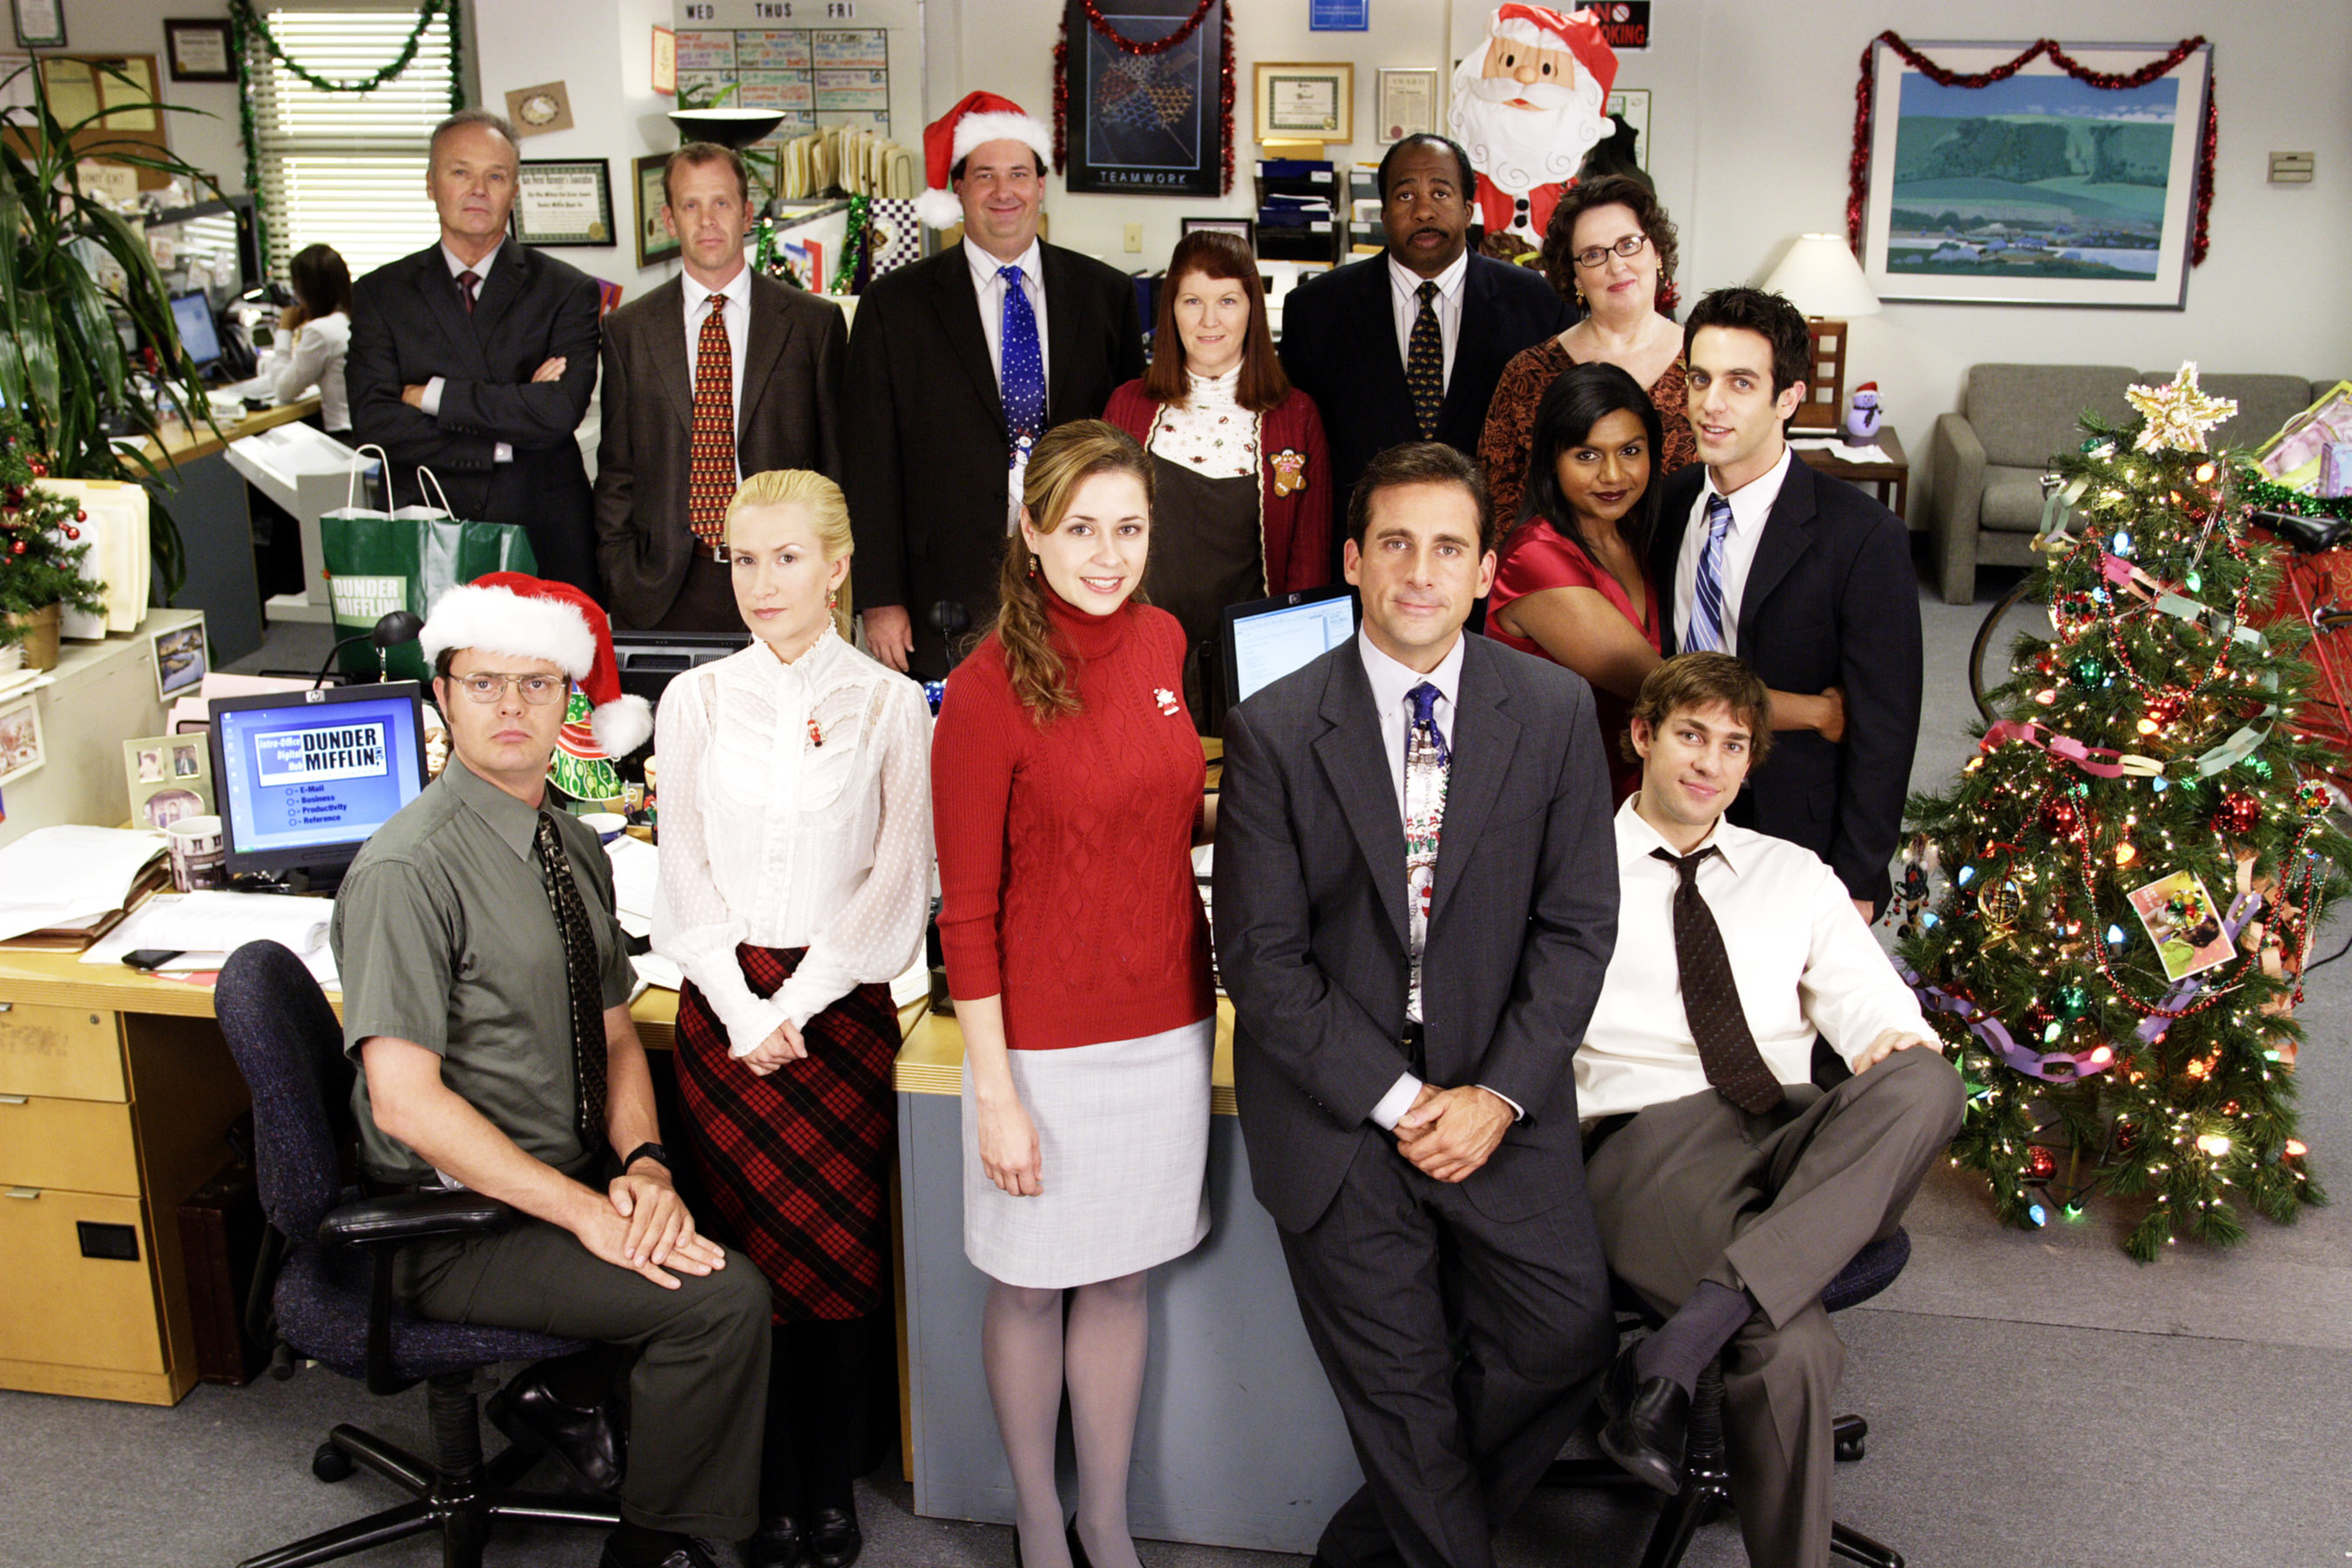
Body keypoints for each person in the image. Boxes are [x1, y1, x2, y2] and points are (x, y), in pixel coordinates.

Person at [1213, 442, 1618, 1568]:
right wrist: (1397, 1102)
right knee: (1405, 1398)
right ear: (1353, 559)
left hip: (1498, 1091)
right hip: (1343, 1114)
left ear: (1490, 570)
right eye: (1395, 543)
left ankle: (1365, 1547)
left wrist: (1494, 1094)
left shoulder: (1552, 711)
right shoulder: (1277, 730)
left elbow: (1578, 926)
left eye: (1449, 548)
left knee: (1566, 1335)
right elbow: (1261, 957)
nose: (1420, 573)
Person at [331, 571, 766, 1568]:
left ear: (569, 701)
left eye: (536, 684)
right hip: (458, 1222)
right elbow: (404, 1100)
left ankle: (571, 1403)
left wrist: (646, 1164)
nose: (511, 706)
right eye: (484, 684)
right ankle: (658, 1547)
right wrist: (587, 1218)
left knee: (733, 1194)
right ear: (443, 696)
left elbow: (614, 1034)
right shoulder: (409, 871)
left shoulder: (569, 842)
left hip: (562, 1174)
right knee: (720, 1298)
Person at [1578, 652, 1963, 1568]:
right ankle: (1719, 1335)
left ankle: (1691, 1336)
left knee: (1928, 1081)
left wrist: (1882, 1041)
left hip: (1793, 1131)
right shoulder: (1569, 870)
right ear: (1643, 737)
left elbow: (1876, 1006)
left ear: (1752, 766)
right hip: (1651, 1141)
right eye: (1689, 735)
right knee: (1791, 1352)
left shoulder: (1795, 874)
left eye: (1733, 746)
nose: (1708, 763)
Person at [931, 422, 1214, 1568]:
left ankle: (1105, 1512)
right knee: (1032, 1288)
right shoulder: (984, 689)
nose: (1109, 554)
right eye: (1083, 528)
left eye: (1130, 529)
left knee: (1123, 1275)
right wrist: (994, 1092)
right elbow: (969, 911)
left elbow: (1161, 803)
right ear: (1032, 533)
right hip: (1038, 1049)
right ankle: (1039, 1521)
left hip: (1168, 1023)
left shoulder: (1164, 641)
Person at [653, 470, 931, 1568]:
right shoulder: (695, 701)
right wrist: (738, 1007)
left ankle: (828, 1490)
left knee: (836, 1263)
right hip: (722, 1018)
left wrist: (793, 1007)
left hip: (839, 1012)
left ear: (837, 566)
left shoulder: (890, 703)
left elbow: (897, 886)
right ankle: (759, 1488)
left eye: (785, 558)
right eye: (742, 560)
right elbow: (683, 875)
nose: (761, 583)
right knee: (742, 1267)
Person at [842, 92, 1146, 677]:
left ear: (1040, 185)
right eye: (984, 175)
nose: (1003, 193)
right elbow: (869, 462)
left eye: (1018, 174)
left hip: (1078, 580)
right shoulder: (893, 306)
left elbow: (1126, 455)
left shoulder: (1103, 295)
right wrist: (881, 599)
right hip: (943, 595)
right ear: (958, 189)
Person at [1651, 287, 1923, 918]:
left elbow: (1886, 727)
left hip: (1793, 824)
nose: (1711, 406)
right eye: (1700, 378)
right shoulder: (1668, 502)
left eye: (1741, 383)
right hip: (1671, 807)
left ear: (1788, 399)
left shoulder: (1862, 536)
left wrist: (1856, 877)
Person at [1486, 364, 1842, 801]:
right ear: (1551, 462)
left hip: (1639, 787)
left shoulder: (1635, 535)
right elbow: (1664, 688)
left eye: (1630, 451)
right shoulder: (1535, 557)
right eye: (1587, 455)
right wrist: (1819, 713)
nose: (1613, 475)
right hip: (1560, 792)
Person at [1278, 133, 1572, 578]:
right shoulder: (1316, 310)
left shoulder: (1540, 305)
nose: (1423, 210)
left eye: (1440, 191)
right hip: (1364, 574)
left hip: (1495, 572)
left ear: (1469, 209)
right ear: (1382, 210)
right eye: (1405, 194)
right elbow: (1302, 454)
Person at [348, 110, 604, 595]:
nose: (478, 189)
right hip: (428, 518)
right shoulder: (382, 293)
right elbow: (374, 419)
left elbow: (558, 412)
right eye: (460, 171)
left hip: (540, 525)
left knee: (549, 667)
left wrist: (432, 396)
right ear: (430, 183)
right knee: (431, 666)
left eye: (496, 175)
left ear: (515, 189)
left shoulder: (566, 290)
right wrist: (507, 429)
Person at [597, 144, 846, 632]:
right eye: (691, 205)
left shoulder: (812, 324)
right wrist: (621, 574)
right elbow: (616, 473)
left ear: (748, 213)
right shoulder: (629, 331)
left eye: (722, 203)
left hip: (784, 579)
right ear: (670, 220)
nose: (707, 220)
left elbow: (835, 465)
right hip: (665, 584)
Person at [1103, 229, 1331, 733]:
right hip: (1141, 656)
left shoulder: (1295, 415)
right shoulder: (1128, 405)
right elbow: (1100, 538)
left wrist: (1296, 676)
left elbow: (1307, 559)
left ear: (1252, 308)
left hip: (1252, 666)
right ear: (1170, 310)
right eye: (1192, 301)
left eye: (1227, 300)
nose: (1210, 320)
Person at [1477, 175, 1696, 526]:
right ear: (1574, 275)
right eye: (1594, 254)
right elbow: (1499, 511)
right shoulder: (1529, 374)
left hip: (1691, 573)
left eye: (1629, 244)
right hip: (1561, 577)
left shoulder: (1708, 364)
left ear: (1656, 251)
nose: (1616, 265)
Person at [1444, 3, 1618, 246]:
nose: (1524, 76)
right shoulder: (1467, 182)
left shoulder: (1573, 191)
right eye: (1509, 61)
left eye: (1547, 69)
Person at [265, 243, 354, 436]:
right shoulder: (353, 317)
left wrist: (284, 330)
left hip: (345, 437)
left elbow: (283, 390)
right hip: (369, 435)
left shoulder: (320, 331)